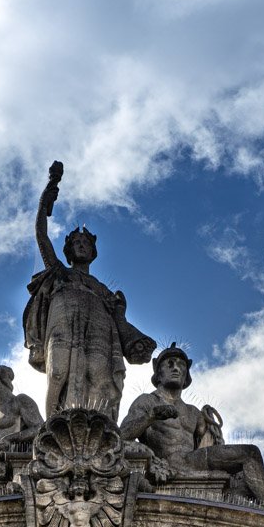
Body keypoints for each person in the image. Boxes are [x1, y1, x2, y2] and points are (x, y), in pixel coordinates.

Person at [23, 161, 156, 421]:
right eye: (76, 242)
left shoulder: (104, 291)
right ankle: (54, 426)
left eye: (85, 243)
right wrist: (46, 198)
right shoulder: (59, 272)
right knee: (59, 373)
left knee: (100, 378)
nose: (81, 245)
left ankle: (101, 430)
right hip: (63, 323)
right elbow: (41, 235)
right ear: (68, 250)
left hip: (99, 328)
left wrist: (123, 317)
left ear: (93, 251)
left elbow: (121, 324)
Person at [120, 344, 264, 509]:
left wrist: (213, 431)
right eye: (169, 363)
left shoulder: (193, 412)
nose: (176, 368)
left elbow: (208, 446)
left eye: (181, 365)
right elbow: (122, 435)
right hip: (167, 463)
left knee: (250, 453)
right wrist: (151, 416)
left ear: (186, 376)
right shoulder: (147, 401)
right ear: (158, 374)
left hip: (193, 461)